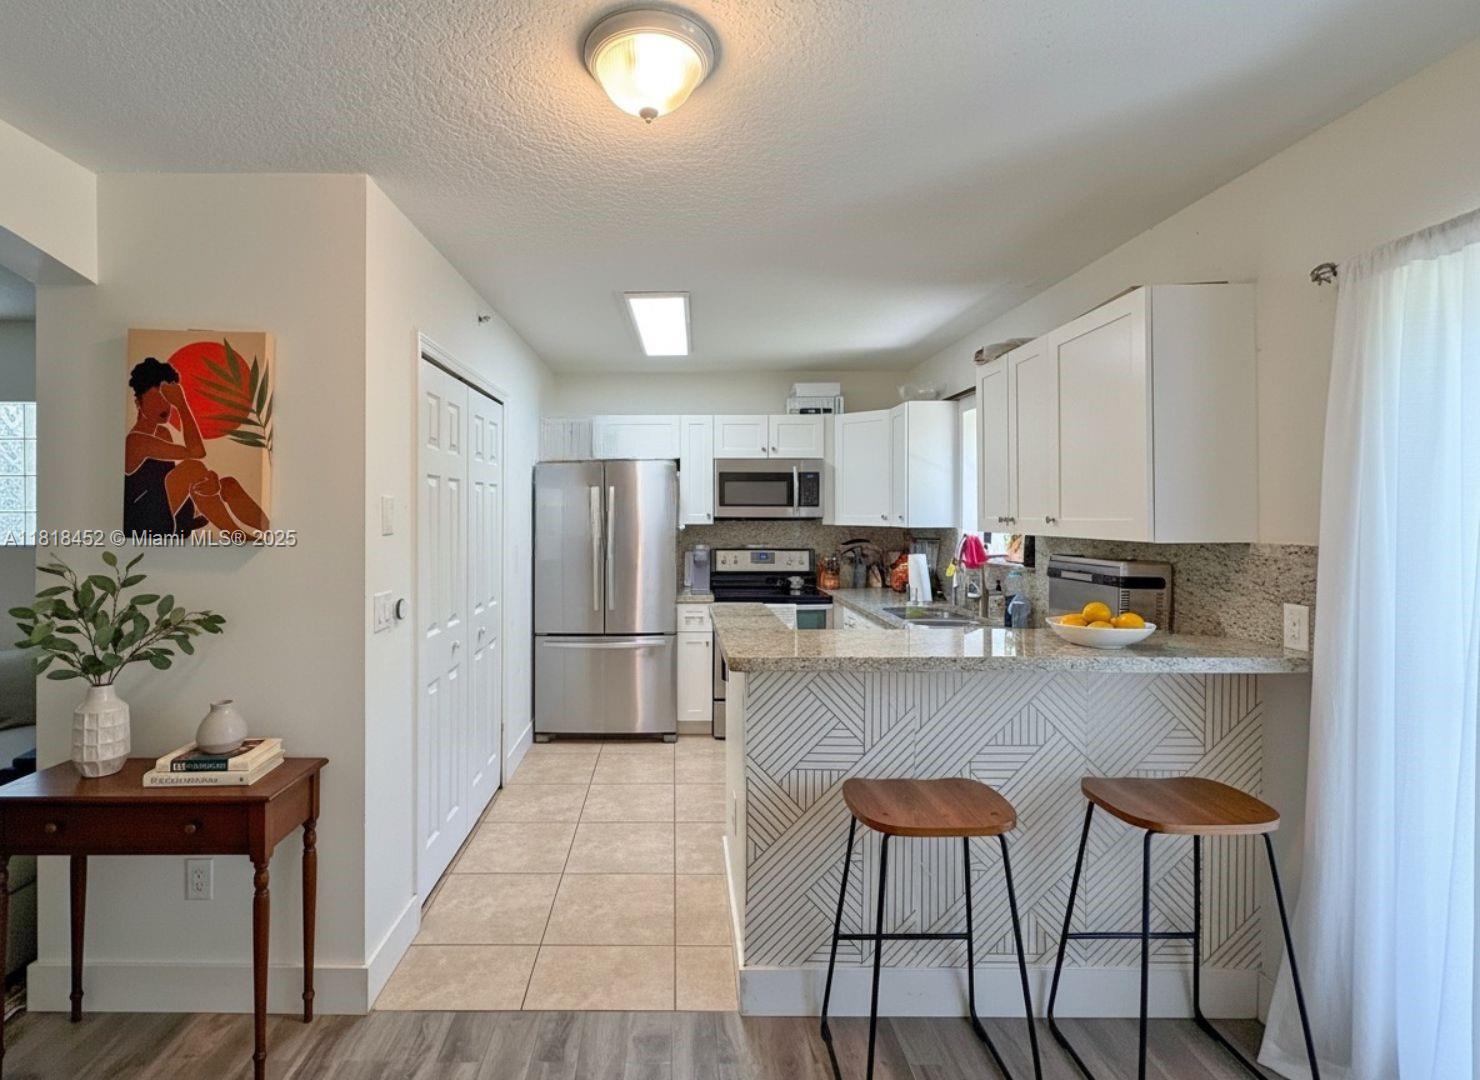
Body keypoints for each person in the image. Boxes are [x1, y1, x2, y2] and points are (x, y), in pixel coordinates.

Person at [124, 356, 268, 540]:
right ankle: (238, 536)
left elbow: (170, 482)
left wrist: (205, 483)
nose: (164, 406)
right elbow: (196, 453)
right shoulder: (136, 441)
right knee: (194, 468)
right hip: (142, 521)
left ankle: (273, 531)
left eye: (167, 399)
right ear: (138, 403)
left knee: (227, 484)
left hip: (167, 511)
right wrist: (182, 405)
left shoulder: (162, 433)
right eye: (155, 399)